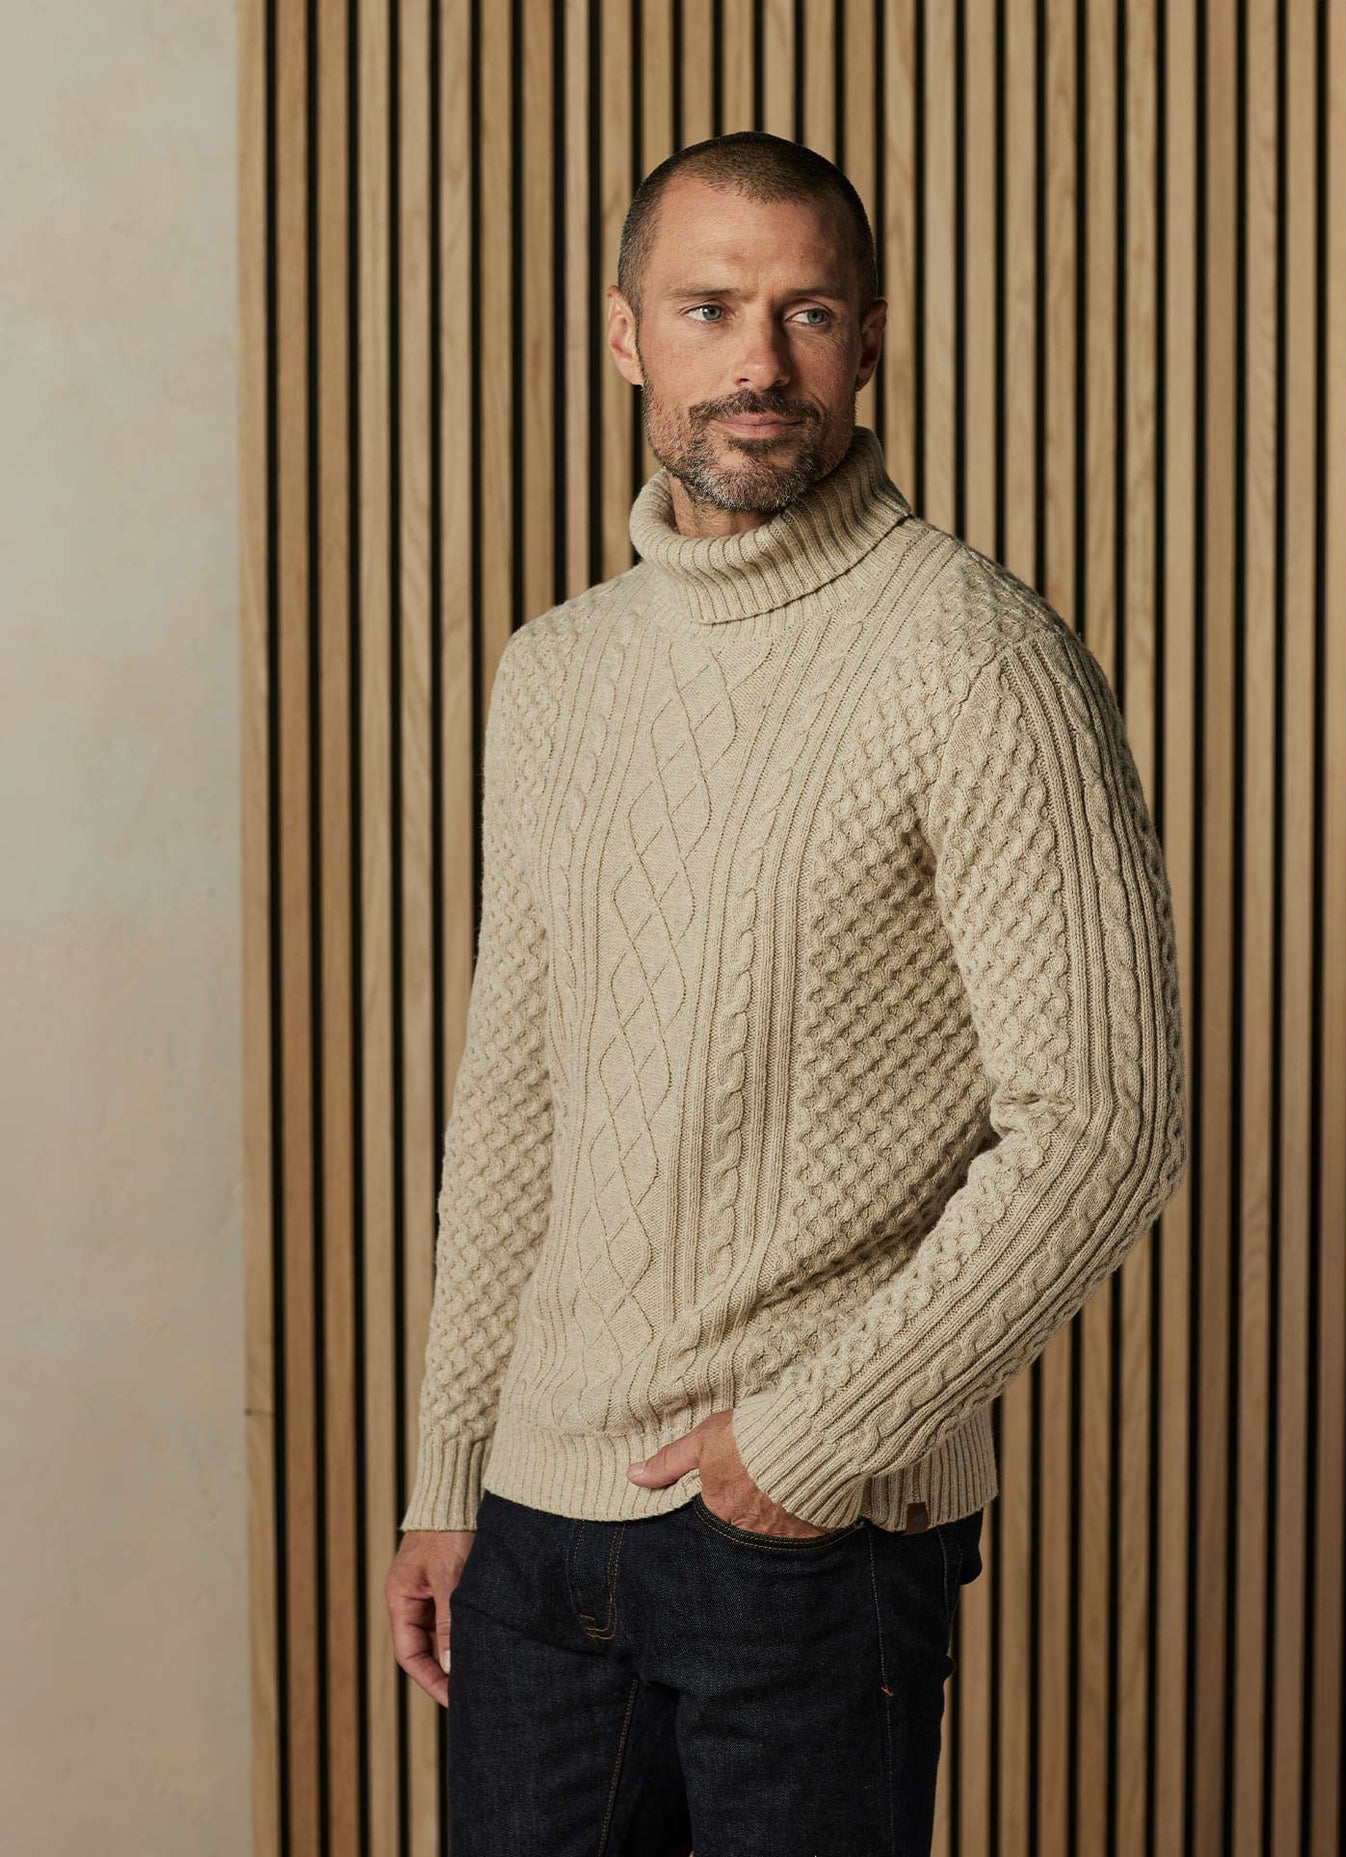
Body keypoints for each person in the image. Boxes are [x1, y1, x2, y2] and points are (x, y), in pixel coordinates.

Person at [385, 128, 1188, 1855]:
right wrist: (449, 1473)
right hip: (533, 1529)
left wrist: (813, 1442)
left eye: (805, 312)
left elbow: (1104, 1122)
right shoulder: (555, 670)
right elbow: (514, 1095)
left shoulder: (973, 653)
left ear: (867, 341)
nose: (756, 361)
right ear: (625, 336)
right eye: (708, 308)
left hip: (802, 1537)